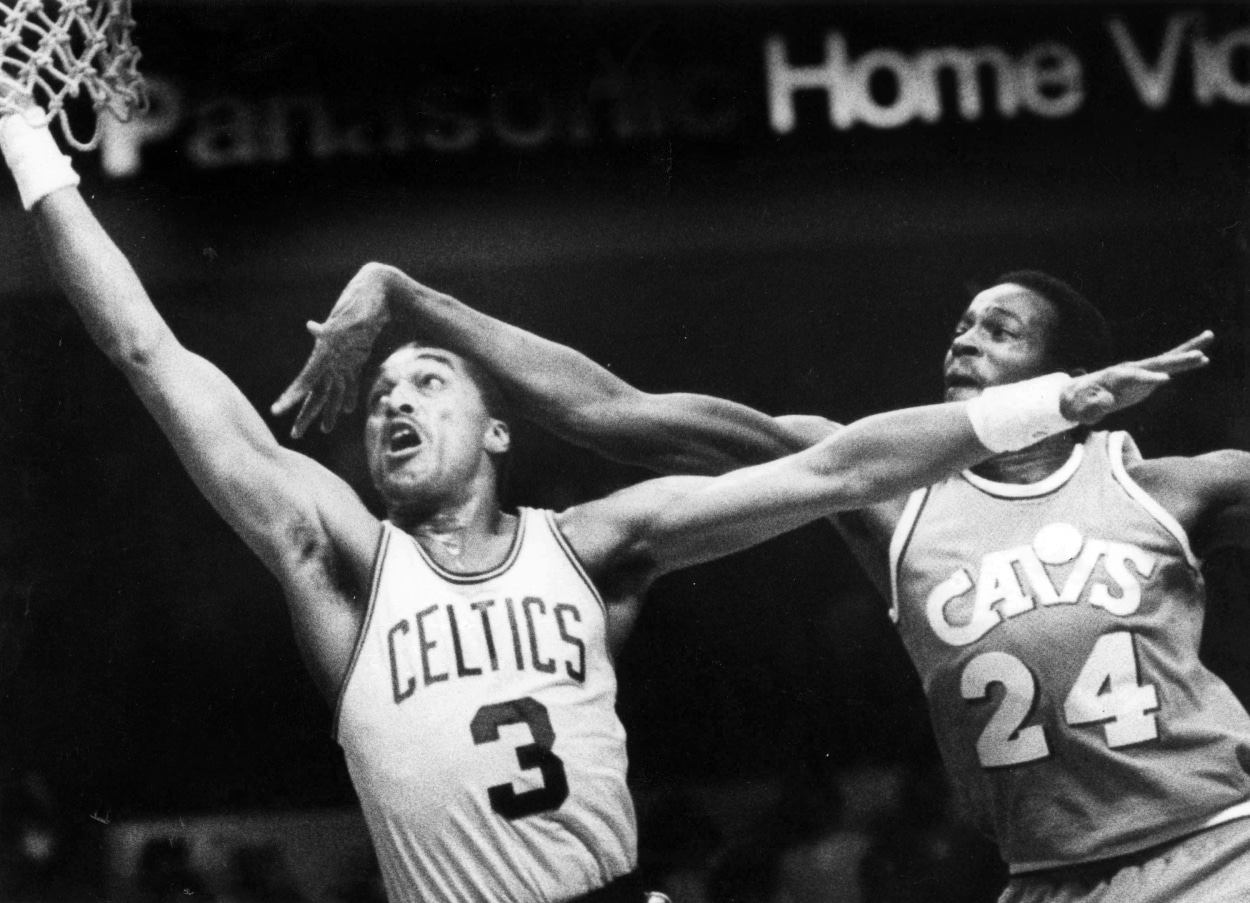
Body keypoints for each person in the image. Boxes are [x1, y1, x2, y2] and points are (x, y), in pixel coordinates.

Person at [0, 101, 1206, 903]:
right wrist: (25, 142)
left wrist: (1044, 405)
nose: (393, 402)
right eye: (377, 396)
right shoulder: (338, 555)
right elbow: (152, 356)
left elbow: (831, 468)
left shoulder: (594, 545)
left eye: (426, 380)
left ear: (500, 429)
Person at [284, 261, 1250, 903]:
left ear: (1070, 374)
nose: (963, 340)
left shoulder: (1163, 486)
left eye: (999, 329)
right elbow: (611, 411)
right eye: (961, 325)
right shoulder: (886, 494)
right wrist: (417, 302)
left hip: (1218, 844)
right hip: (1048, 878)